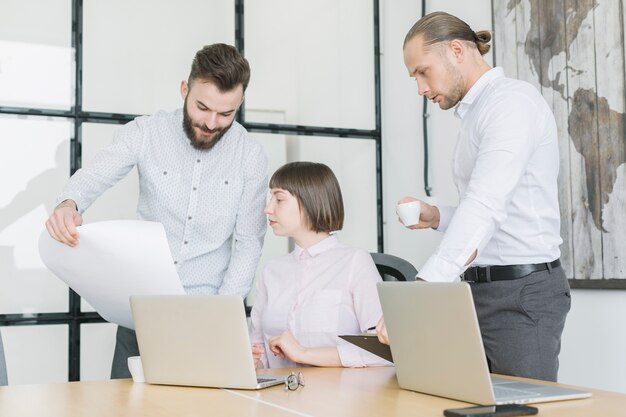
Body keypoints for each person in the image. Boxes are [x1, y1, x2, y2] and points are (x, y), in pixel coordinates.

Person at [45, 44, 268, 378]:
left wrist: (220, 319)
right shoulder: (146, 132)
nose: (210, 122)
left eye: (226, 114)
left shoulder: (250, 155)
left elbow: (249, 243)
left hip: (206, 319)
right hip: (142, 316)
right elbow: (95, 174)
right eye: (202, 107)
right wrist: (69, 204)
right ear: (184, 89)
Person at [377, 12, 570, 382]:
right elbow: (493, 213)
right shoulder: (476, 113)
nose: (419, 88)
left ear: (456, 50)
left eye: (422, 72)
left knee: (522, 408)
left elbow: (484, 207)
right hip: (476, 292)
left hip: (520, 295)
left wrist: (422, 294)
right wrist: (437, 216)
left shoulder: (510, 104)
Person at [249, 162, 390, 369]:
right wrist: (255, 362)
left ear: (309, 202)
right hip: (277, 395)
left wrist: (304, 354)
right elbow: (257, 347)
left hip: (338, 396)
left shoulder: (354, 262)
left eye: (279, 199)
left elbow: (384, 351)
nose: (268, 208)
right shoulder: (272, 270)